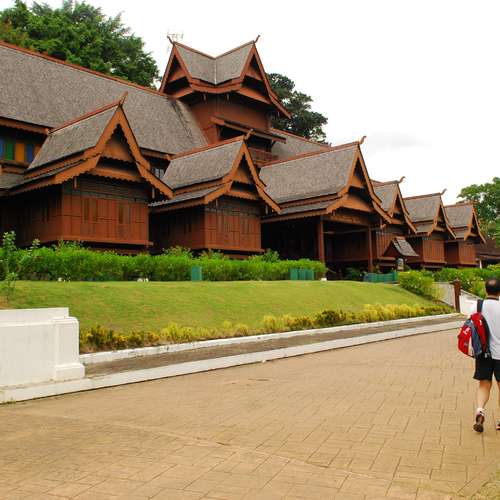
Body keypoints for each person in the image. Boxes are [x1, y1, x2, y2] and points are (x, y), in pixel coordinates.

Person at [473, 277, 500, 433]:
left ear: (485, 289)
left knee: (484, 384)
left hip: (483, 353)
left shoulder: (477, 305)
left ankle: (480, 410)